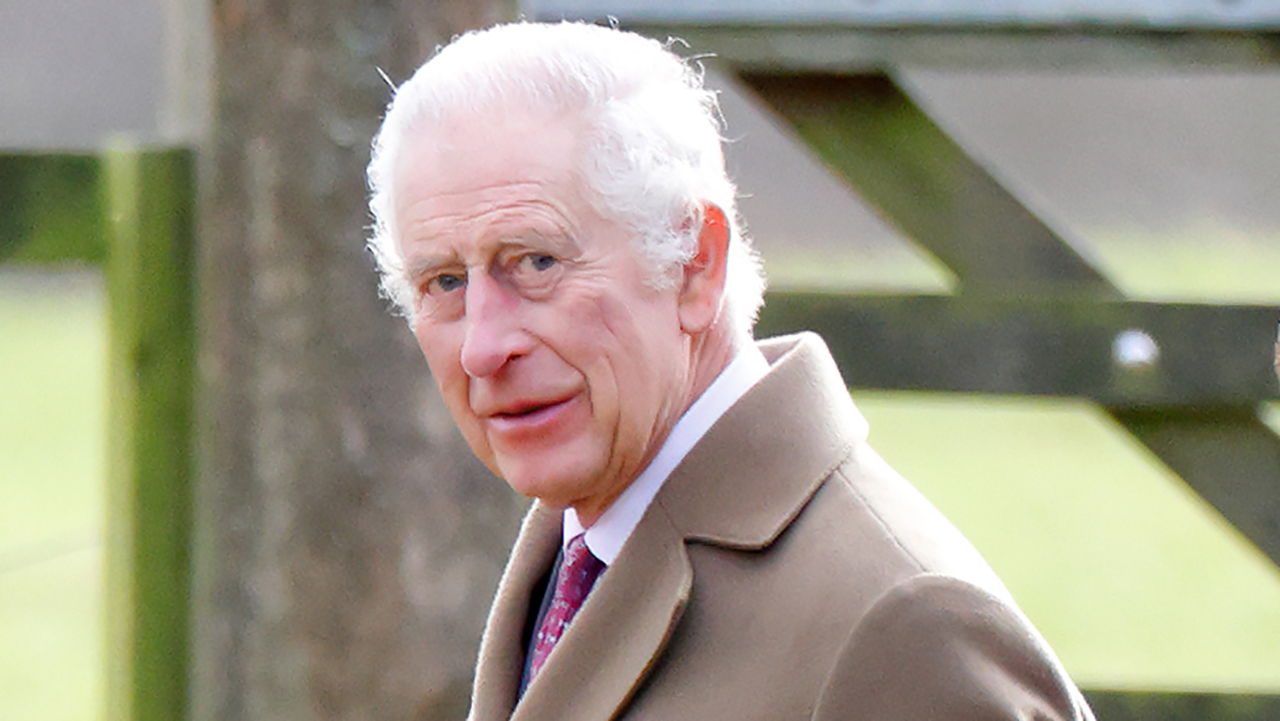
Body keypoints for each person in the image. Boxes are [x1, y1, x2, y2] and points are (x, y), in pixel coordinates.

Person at [366, 20, 1095, 721]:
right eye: (444, 282)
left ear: (693, 264)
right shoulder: (579, 542)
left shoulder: (907, 629)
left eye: (536, 262)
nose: (483, 347)